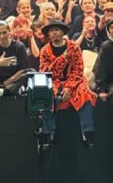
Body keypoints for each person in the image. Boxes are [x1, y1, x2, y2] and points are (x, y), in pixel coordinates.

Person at [38, 21, 96, 149]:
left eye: (57, 30)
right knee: (45, 93)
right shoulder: (45, 50)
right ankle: (49, 134)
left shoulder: (74, 47)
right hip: (53, 81)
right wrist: (63, 58)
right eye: (51, 31)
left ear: (63, 32)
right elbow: (45, 72)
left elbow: (78, 70)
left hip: (73, 81)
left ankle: (87, 132)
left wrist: (69, 87)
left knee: (84, 92)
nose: (54, 33)